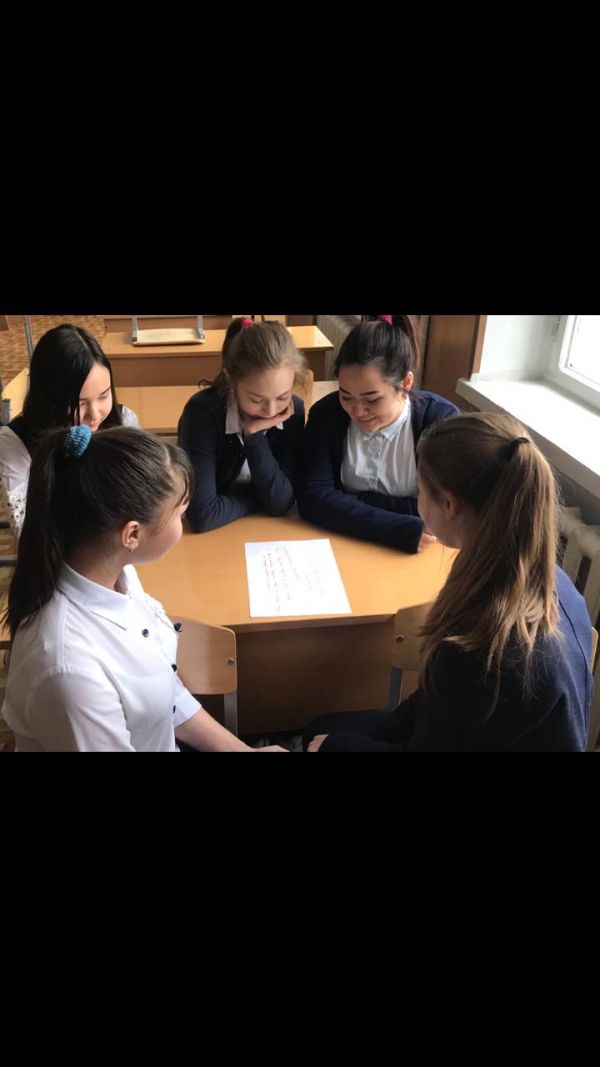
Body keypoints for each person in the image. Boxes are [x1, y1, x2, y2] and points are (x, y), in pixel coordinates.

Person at [303, 413, 593, 751]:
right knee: (324, 729)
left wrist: (334, 747)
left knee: (320, 738)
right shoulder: (554, 581)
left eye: (420, 489)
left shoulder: (475, 645)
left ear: (449, 504)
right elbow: (435, 705)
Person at [1, 424, 287, 752]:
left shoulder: (115, 573)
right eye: (180, 513)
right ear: (132, 534)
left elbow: (163, 690)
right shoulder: (70, 670)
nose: (184, 522)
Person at [297, 315, 459, 553]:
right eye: (345, 396)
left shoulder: (440, 421)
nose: (357, 410)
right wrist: (400, 528)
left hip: (420, 557)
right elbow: (312, 498)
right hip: (340, 546)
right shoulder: (327, 414)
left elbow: (445, 510)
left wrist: (349, 500)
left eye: (372, 399)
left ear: (406, 383)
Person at [0, 324, 139, 537]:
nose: (94, 415)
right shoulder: (14, 444)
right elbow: (27, 530)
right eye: (80, 403)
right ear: (50, 400)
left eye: (103, 396)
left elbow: (141, 498)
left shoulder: (124, 421)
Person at [178, 318, 307, 532]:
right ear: (231, 380)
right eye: (256, 399)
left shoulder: (294, 411)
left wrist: (254, 437)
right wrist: (261, 495)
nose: (271, 411)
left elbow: (281, 503)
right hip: (215, 537)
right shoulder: (201, 413)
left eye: (282, 397)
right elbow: (203, 515)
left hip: (260, 529)